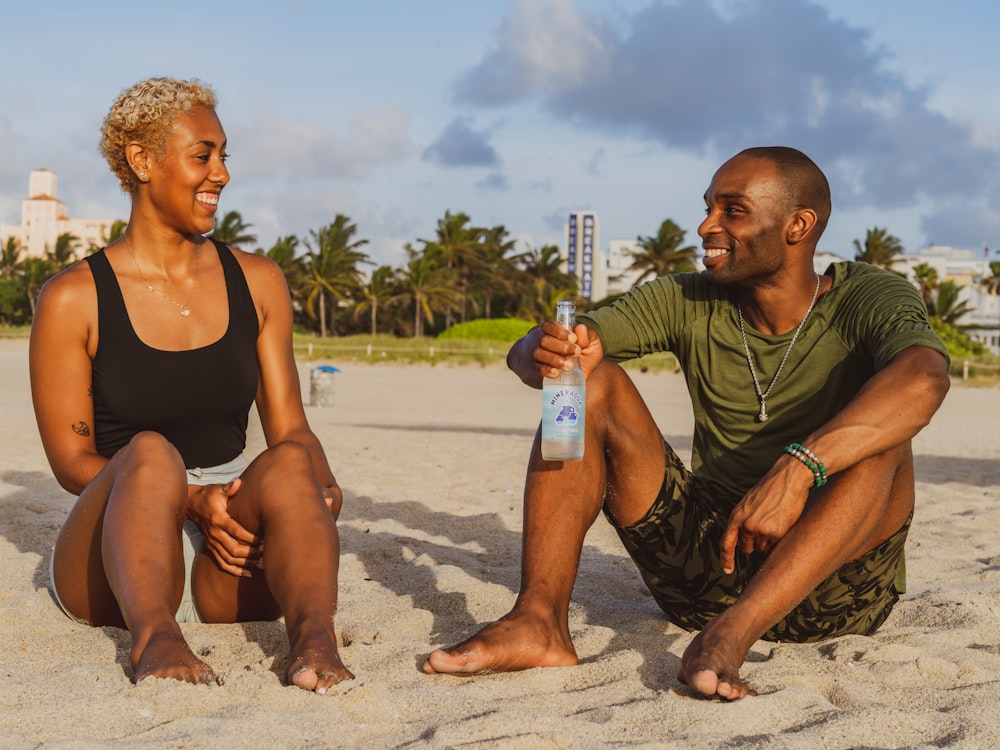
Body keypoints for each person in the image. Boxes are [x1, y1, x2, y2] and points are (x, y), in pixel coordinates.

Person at [423, 146, 951, 700]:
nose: (706, 226)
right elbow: (571, 350)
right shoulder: (687, 297)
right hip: (707, 570)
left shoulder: (865, 295)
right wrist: (542, 349)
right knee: (593, 381)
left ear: (798, 226)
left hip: (833, 592)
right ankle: (538, 621)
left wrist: (800, 469)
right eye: (708, 207)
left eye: (733, 210)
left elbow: (925, 379)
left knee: (887, 431)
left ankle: (735, 633)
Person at [29, 77, 352, 693]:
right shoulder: (74, 296)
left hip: (224, 534)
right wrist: (184, 499)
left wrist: (322, 484)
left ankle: (314, 639)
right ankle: (156, 638)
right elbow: (73, 462)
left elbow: (292, 429)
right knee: (150, 451)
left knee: (287, 463)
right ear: (142, 161)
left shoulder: (257, 281)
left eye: (225, 154)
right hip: (114, 541)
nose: (222, 173)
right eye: (202, 154)